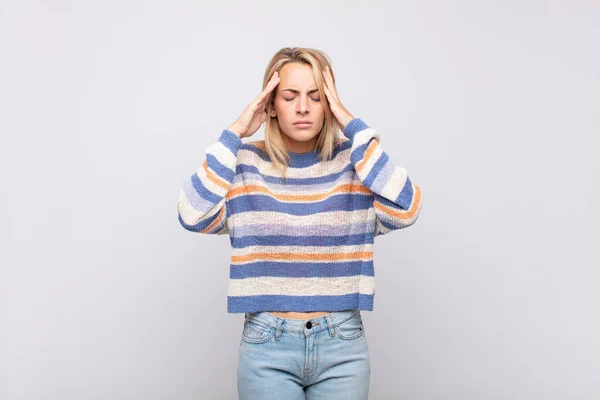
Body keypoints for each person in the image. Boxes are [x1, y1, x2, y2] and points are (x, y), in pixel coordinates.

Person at [177, 47, 422, 399]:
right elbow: (190, 212)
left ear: (329, 104)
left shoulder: (354, 165)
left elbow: (407, 206)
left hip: (343, 345)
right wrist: (234, 133)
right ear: (271, 105)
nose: (303, 107)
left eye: (317, 97)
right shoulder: (245, 164)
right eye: (290, 96)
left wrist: (352, 126)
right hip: (266, 343)